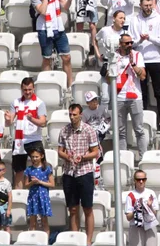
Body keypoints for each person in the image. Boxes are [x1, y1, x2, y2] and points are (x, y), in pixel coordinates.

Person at [57, 103, 99, 241]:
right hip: (69, 173)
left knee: (87, 208)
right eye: (70, 114)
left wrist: (82, 157)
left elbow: (95, 152)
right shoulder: (64, 131)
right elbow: (59, 151)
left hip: (85, 172)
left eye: (74, 114)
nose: (72, 117)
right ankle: (75, 240)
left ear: (81, 115)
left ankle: (87, 241)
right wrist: (68, 157)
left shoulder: (89, 130)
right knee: (73, 209)